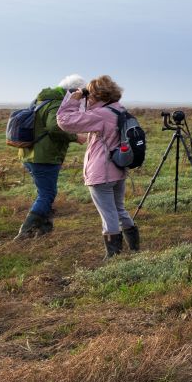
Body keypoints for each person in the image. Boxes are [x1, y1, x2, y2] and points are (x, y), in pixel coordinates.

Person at [53, 75, 138, 258]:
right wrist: (84, 99)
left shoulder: (101, 115)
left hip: (102, 173)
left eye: (89, 95)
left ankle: (113, 255)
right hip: (118, 169)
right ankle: (134, 246)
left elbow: (65, 121)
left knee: (109, 214)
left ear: (97, 96)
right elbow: (87, 115)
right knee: (119, 208)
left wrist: (72, 101)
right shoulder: (118, 109)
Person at [13, 74, 85, 240]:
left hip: (30, 154)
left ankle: (44, 228)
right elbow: (54, 127)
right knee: (47, 194)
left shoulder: (41, 100)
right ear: (72, 90)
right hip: (43, 157)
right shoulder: (57, 103)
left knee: (45, 192)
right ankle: (25, 232)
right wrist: (76, 137)